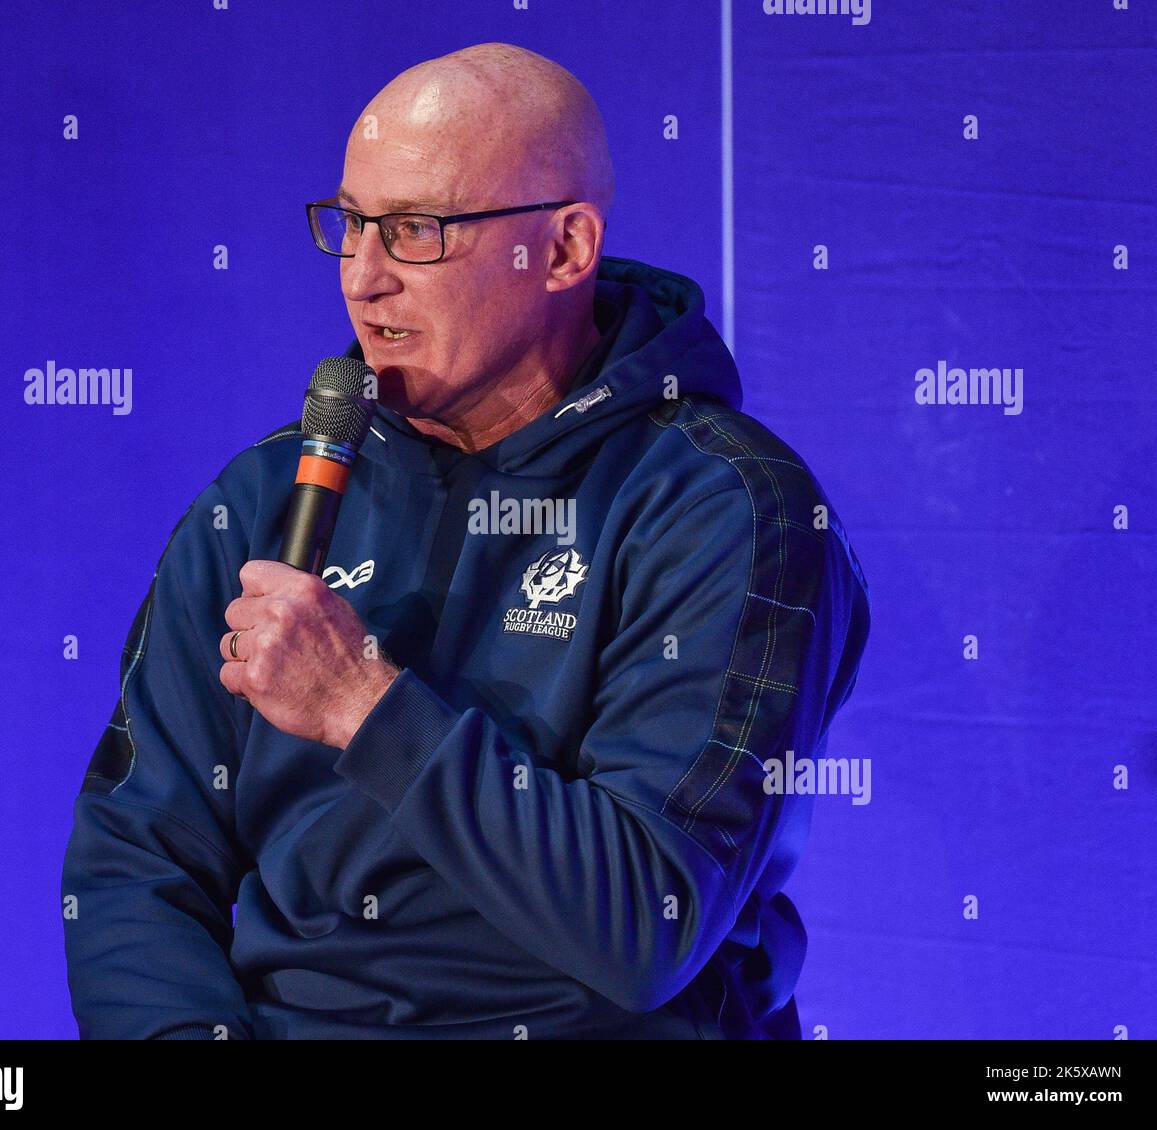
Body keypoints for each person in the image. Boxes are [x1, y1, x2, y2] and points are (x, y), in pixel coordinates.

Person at [60, 41, 870, 1040]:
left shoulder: (725, 506)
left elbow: (645, 926)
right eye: (350, 225)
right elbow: (134, 855)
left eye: (413, 230)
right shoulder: (265, 497)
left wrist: (365, 703)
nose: (364, 278)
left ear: (566, 250)